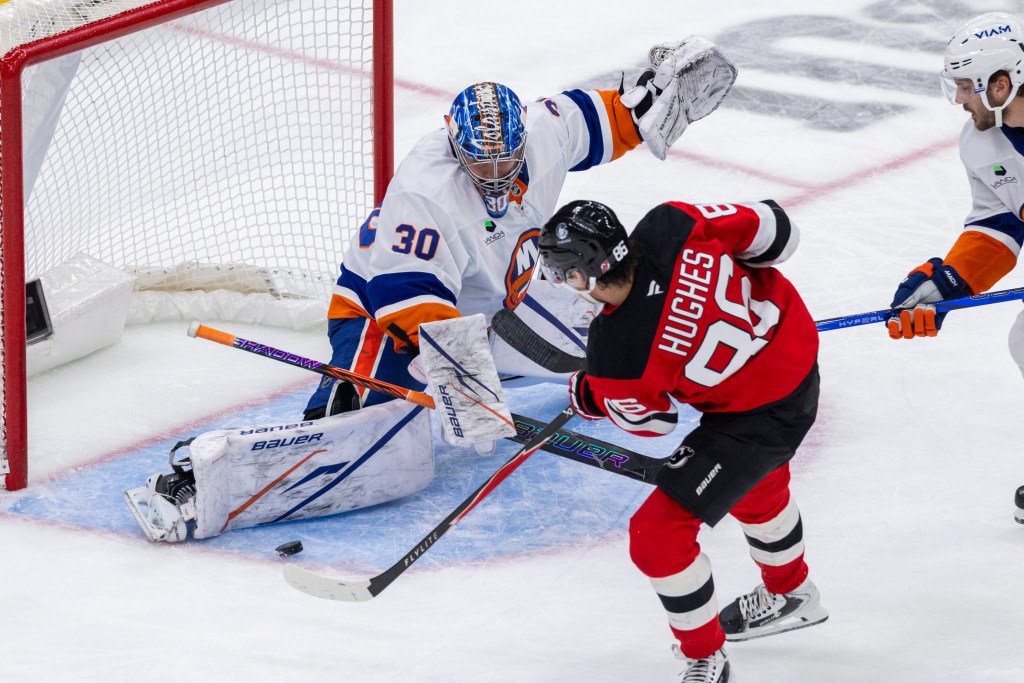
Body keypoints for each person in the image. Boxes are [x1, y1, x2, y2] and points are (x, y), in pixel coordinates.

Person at [304, 36, 737, 422]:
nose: (495, 175)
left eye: (506, 160)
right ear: (455, 146)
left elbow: (606, 118)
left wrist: (645, 108)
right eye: (480, 163)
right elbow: (402, 293)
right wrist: (464, 376)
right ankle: (332, 411)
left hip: (494, 305)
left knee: (610, 354)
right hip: (383, 314)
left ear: (523, 139)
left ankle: (681, 347)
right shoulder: (425, 192)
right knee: (363, 414)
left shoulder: (544, 129)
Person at [538, 199, 827, 682]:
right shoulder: (672, 224)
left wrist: (594, 395)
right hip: (796, 347)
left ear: (584, 275)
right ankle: (792, 593)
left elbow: (655, 424)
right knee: (755, 484)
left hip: (756, 418)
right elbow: (779, 233)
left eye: (561, 274)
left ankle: (704, 655)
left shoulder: (617, 358)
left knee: (656, 537)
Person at [883, 12, 1024, 524]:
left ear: (1002, 83)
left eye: (967, 87)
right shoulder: (982, 143)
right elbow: (1000, 222)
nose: (961, 100)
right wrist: (948, 282)